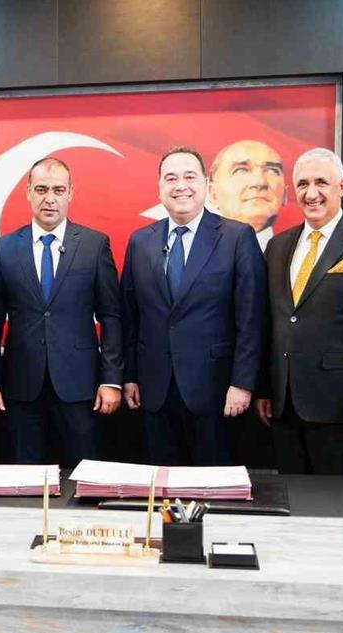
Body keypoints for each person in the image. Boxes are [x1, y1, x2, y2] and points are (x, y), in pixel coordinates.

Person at [255, 148, 343, 475]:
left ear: (341, 186)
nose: (312, 193)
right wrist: (264, 389)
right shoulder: (278, 246)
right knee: (293, 496)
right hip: (284, 405)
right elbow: (272, 323)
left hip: (341, 408)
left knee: (341, 499)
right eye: (303, 184)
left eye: (321, 182)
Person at [121, 147, 267, 466]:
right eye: (171, 178)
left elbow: (252, 320)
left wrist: (243, 383)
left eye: (189, 177)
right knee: (161, 486)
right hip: (155, 389)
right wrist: (129, 376)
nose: (181, 186)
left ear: (206, 184)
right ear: (159, 186)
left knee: (211, 485)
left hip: (216, 390)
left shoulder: (236, 237)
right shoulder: (140, 241)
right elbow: (130, 317)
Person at [0, 157, 123, 466]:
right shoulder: (4, 248)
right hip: (21, 387)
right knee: (24, 478)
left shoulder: (94, 245)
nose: (50, 198)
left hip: (81, 387)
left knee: (83, 475)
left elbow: (111, 317)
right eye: (41, 189)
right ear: (28, 192)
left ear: (70, 193)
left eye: (58, 190)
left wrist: (111, 379)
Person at [208, 140, 286, 251]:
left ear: (285, 194)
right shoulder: (192, 254)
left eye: (272, 171)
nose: (259, 182)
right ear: (213, 194)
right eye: (241, 170)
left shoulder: (301, 254)